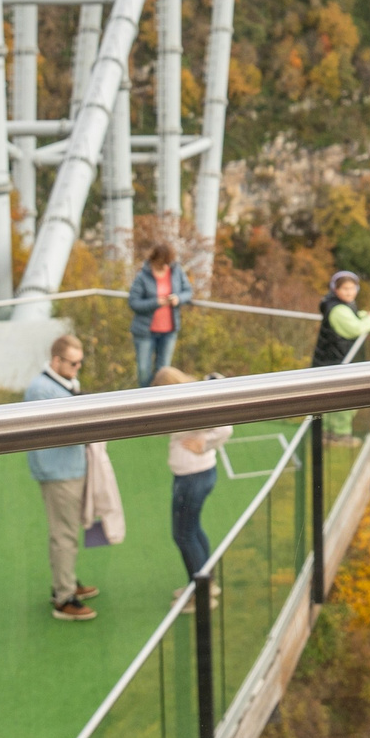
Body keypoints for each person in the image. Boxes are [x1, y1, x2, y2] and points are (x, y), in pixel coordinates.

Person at [23, 333, 98, 622]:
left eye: (80, 363)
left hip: (70, 466)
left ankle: (66, 582)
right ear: (56, 360)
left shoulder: (64, 382)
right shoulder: (41, 390)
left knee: (68, 530)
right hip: (58, 471)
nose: (77, 368)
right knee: (64, 534)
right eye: (73, 363)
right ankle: (64, 597)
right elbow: (61, 431)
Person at [152, 365, 231, 599]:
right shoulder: (191, 398)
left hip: (192, 477)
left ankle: (201, 592)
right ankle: (205, 582)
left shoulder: (190, 403)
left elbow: (226, 428)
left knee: (184, 534)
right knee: (193, 529)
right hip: (198, 474)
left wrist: (204, 443)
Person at [313, 270, 370, 439]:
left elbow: (354, 318)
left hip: (332, 360)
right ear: (336, 290)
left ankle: (328, 431)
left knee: (333, 399)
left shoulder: (337, 305)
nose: (350, 292)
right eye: (345, 289)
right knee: (345, 399)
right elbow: (356, 328)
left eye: (352, 288)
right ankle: (339, 434)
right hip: (334, 362)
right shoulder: (338, 310)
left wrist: (364, 316)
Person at [129, 241, 191, 387]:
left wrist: (178, 298)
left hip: (169, 331)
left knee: (164, 373)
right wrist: (156, 302)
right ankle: (145, 403)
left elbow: (188, 291)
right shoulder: (142, 277)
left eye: (168, 263)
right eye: (162, 263)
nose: (165, 266)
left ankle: (162, 405)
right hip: (146, 331)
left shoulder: (176, 271)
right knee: (144, 372)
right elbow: (134, 303)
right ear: (155, 259)